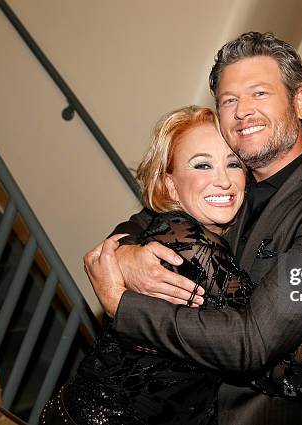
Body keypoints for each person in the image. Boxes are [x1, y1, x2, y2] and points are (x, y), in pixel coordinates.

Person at [88, 32, 302, 424]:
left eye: (259, 93)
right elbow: (152, 217)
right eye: (229, 100)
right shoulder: (230, 177)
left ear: (299, 102)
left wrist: (122, 305)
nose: (243, 110)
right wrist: (123, 252)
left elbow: (255, 342)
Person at [40, 106, 256, 425]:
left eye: (233, 163)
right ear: (170, 185)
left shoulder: (207, 231)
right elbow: (267, 351)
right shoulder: (190, 244)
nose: (223, 180)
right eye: (202, 165)